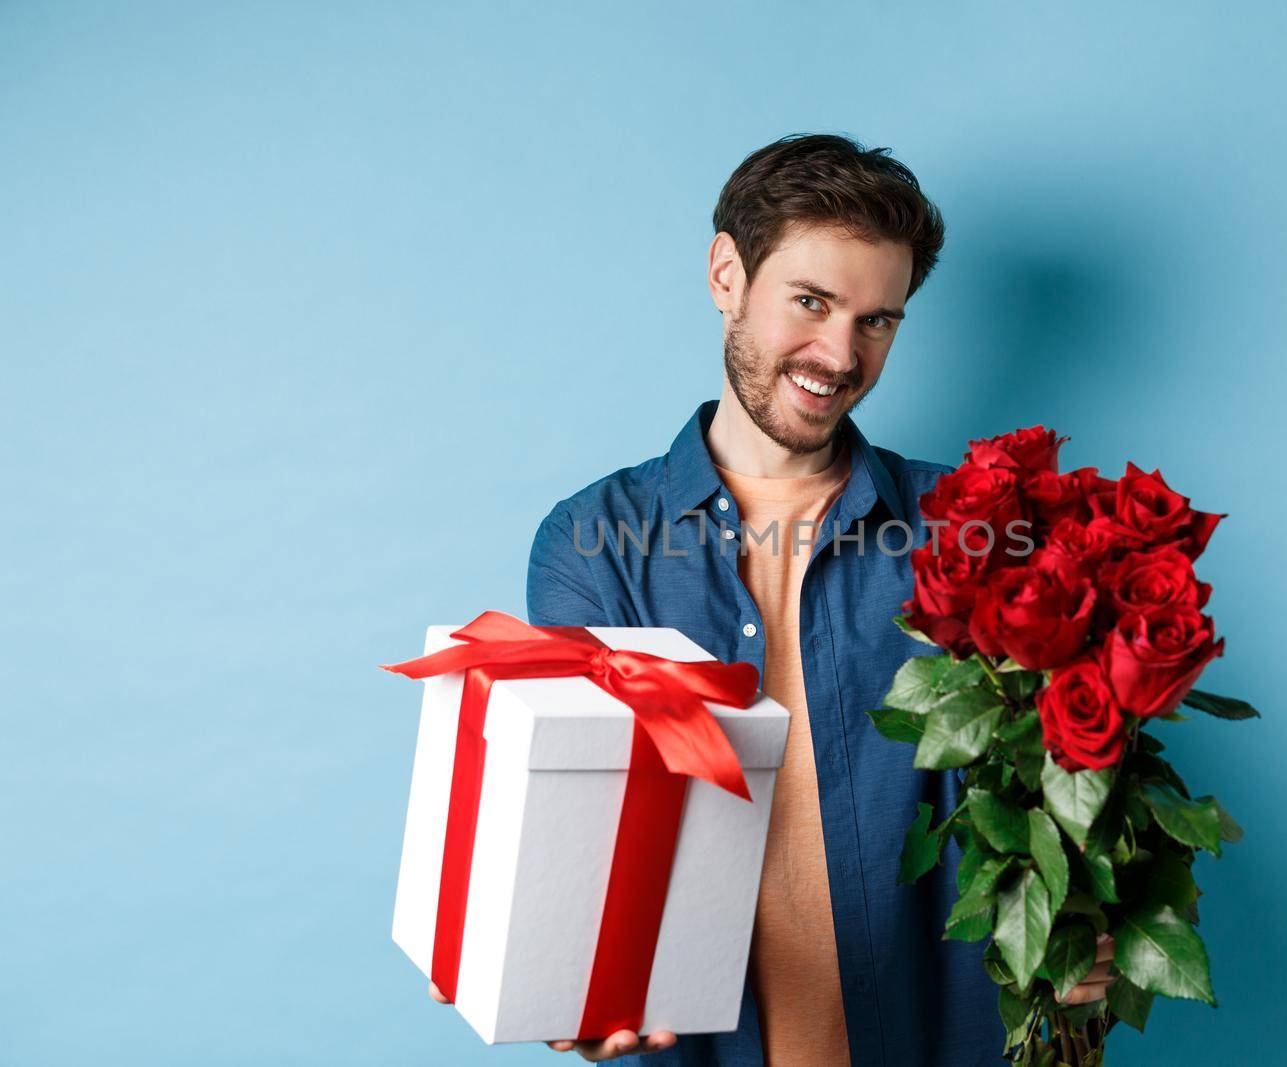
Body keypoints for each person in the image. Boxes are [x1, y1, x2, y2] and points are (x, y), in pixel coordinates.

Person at [432, 133, 1113, 1064]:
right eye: (811, 302)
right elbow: (578, 824)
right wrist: (565, 974)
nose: (839, 353)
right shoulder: (594, 542)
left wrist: (1083, 929)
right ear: (726, 273)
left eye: (878, 320)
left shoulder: (967, 522)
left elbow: (1051, 789)